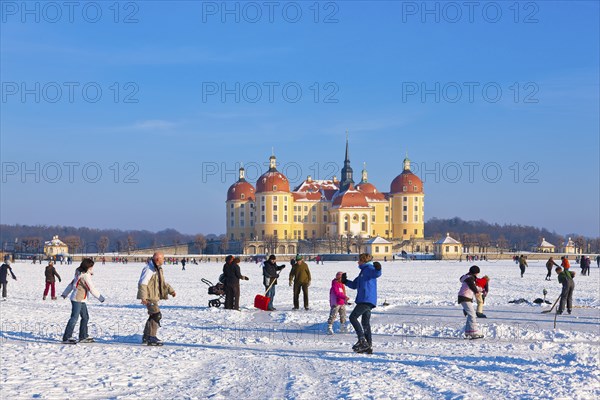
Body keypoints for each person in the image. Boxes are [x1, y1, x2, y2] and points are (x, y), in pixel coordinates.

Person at [343, 253, 382, 354]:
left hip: (366, 299)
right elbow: (354, 285)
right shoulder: (362, 272)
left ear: (363, 261)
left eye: (359, 260)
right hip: (365, 300)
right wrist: (345, 281)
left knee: (353, 317)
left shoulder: (369, 269)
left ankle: (362, 340)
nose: (358, 262)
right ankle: (368, 346)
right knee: (365, 322)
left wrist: (378, 268)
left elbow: (376, 274)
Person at [61, 258, 105, 344]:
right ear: (87, 267)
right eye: (91, 267)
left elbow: (72, 283)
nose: (92, 268)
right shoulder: (84, 276)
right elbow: (91, 288)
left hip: (81, 299)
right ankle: (67, 337)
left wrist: (65, 293)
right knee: (74, 318)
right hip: (77, 299)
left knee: (85, 317)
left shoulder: (80, 273)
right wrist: (100, 298)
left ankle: (83, 336)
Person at [137, 252, 176, 346]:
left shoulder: (157, 269)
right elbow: (142, 283)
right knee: (156, 315)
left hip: (154, 296)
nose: (164, 260)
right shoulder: (149, 269)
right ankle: (151, 337)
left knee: (153, 315)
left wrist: (171, 291)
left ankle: (146, 336)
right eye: (163, 258)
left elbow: (162, 283)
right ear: (157, 259)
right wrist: (143, 297)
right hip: (149, 297)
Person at [458, 265, 484, 339]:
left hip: (465, 297)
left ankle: (468, 331)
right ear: (475, 273)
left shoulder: (468, 277)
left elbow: (473, 286)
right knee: (472, 314)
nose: (477, 275)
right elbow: (472, 286)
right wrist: (476, 292)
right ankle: (473, 332)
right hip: (464, 297)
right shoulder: (470, 278)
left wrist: (479, 289)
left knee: (470, 314)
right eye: (477, 273)